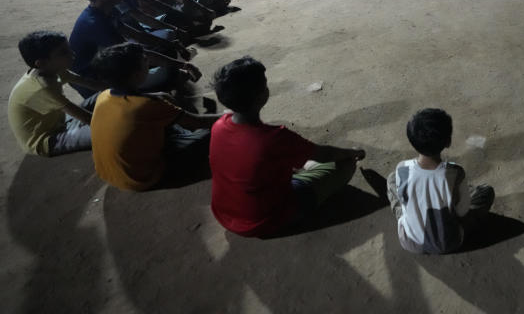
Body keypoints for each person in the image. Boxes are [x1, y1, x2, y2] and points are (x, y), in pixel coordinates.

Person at [209, 57, 365, 237]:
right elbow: (325, 154)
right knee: (345, 164)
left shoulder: (219, 125)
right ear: (261, 96)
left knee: (291, 160)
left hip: (224, 214)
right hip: (266, 220)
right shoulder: (274, 138)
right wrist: (353, 152)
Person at [90, 43, 218, 191]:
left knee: (165, 115)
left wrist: (162, 98)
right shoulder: (145, 105)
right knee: (213, 132)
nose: (149, 63)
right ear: (136, 74)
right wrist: (233, 114)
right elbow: (198, 122)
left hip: (111, 175)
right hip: (143, 178)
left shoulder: (104, 96)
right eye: (145, 61)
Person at [68, 0, 200, 97]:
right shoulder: (96, 24)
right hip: (95, 81)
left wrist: (173, 45)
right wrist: (182, 65)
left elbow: (137, 35)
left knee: (167, 52)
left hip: (112, 64)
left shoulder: (108, 10)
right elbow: (134, 53)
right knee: (170, 73)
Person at [389, 108, 494, 253]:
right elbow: (462, 212)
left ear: (411, 141)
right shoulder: (456, 173)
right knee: (485, 191)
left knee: (392, 179)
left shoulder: (402, 169)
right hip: (449, 243)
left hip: (410, 242)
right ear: (448, 142)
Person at [8, 31, 100, 156]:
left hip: (60, 122)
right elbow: (86, 118)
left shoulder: (53, 69)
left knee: (102, 95)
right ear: (41, 63)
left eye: (68, 49)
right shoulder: (41, 88)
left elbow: (90, 84)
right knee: (110, 129)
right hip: (47, 140)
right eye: (63, 52)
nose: (72, 54)